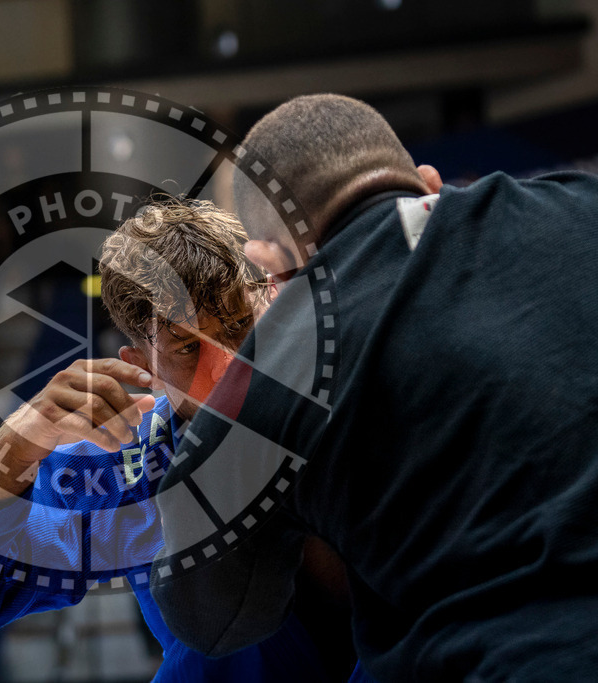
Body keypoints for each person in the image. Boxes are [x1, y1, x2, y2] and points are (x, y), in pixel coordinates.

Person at [150, 94, 598, 682]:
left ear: (266, 262)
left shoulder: (272, 377)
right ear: (428, 182)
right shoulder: (582, 207)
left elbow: (213, 622)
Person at [0, 196, 355, 681]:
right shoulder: (127, 473)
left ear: (275, 303)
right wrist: (15, 446)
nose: (227, 368)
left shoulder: (367, 385)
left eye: (240, 326)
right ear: (144, 367)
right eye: (189, 348)